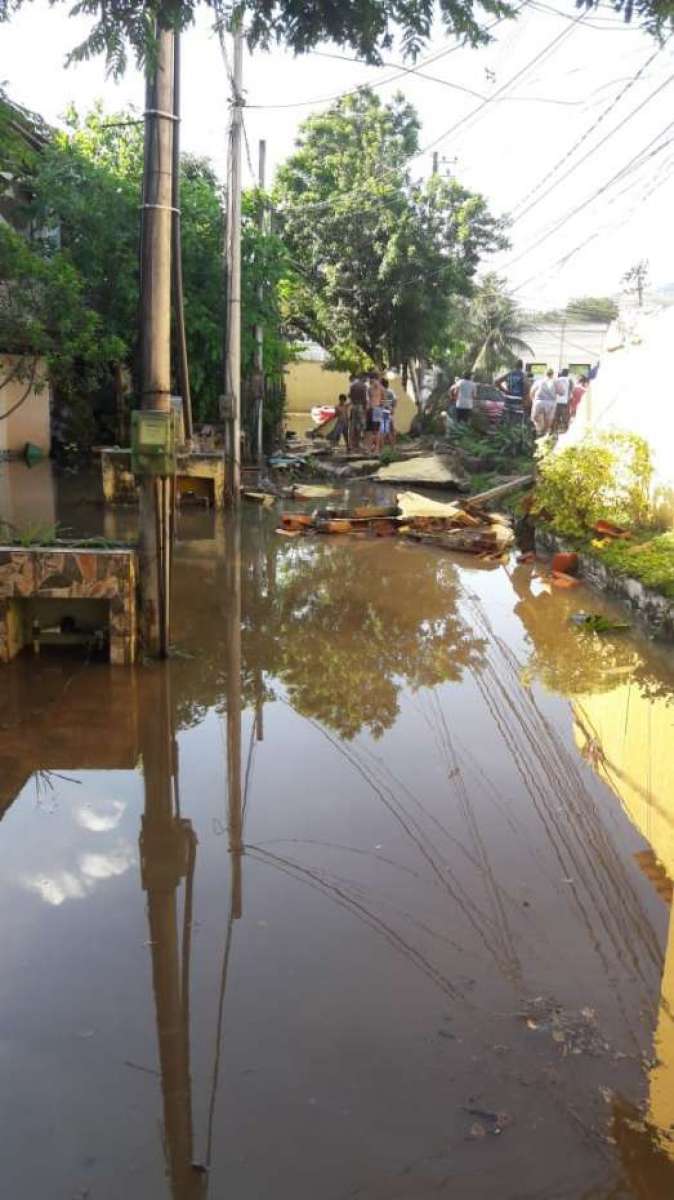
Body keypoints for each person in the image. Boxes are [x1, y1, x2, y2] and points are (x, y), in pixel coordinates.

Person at [530, 368, 557, 436]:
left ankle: (538, 434)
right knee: (547, 423)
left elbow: (532, 392)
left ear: (545, 374)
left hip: (539, 403)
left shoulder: (539, 381)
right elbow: (562, 392)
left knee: (538, 422)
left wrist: (533, 401)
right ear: (552, 374)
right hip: (551, 404)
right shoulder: (554, 382)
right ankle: (545, 436)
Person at [348, 373, 367, 449]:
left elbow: (349, 395)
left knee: (353, 425)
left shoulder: (352, 385)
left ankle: (352, 444)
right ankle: (359, 443)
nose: (366, 380)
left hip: (353, 406)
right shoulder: (363, 386)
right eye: (365, 379)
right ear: (362, 378)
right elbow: (364, 398)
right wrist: (365, 408)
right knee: (361, 425)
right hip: (360, 407)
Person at [554, 367, 572, 432]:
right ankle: (565, 431)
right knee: (565, 418)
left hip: (556, 401)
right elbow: (571, 391)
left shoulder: (557, 380)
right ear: (567, 374)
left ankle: (555, 431)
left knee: (556, 417)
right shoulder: (569, 380)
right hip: (565, 402)